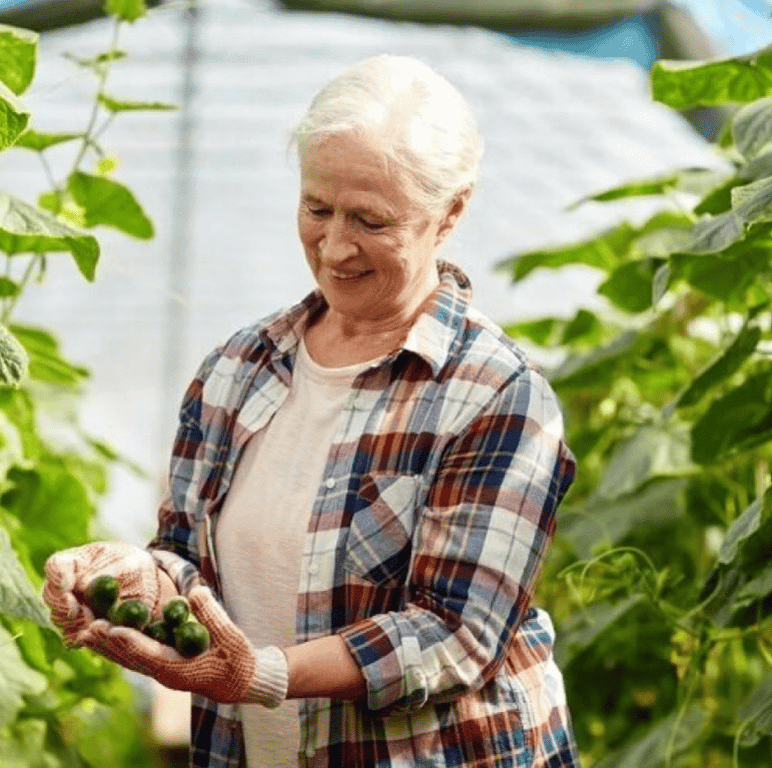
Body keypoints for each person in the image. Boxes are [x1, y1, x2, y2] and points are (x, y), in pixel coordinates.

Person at [42, 54, 578, 767]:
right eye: (317, 208)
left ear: (450, 213)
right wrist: (132, 573)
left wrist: (262, 675)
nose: (333, 246)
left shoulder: (493, 394)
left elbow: (456, 632)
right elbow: (185, 556)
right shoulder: (238, 369)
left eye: (371, 220)